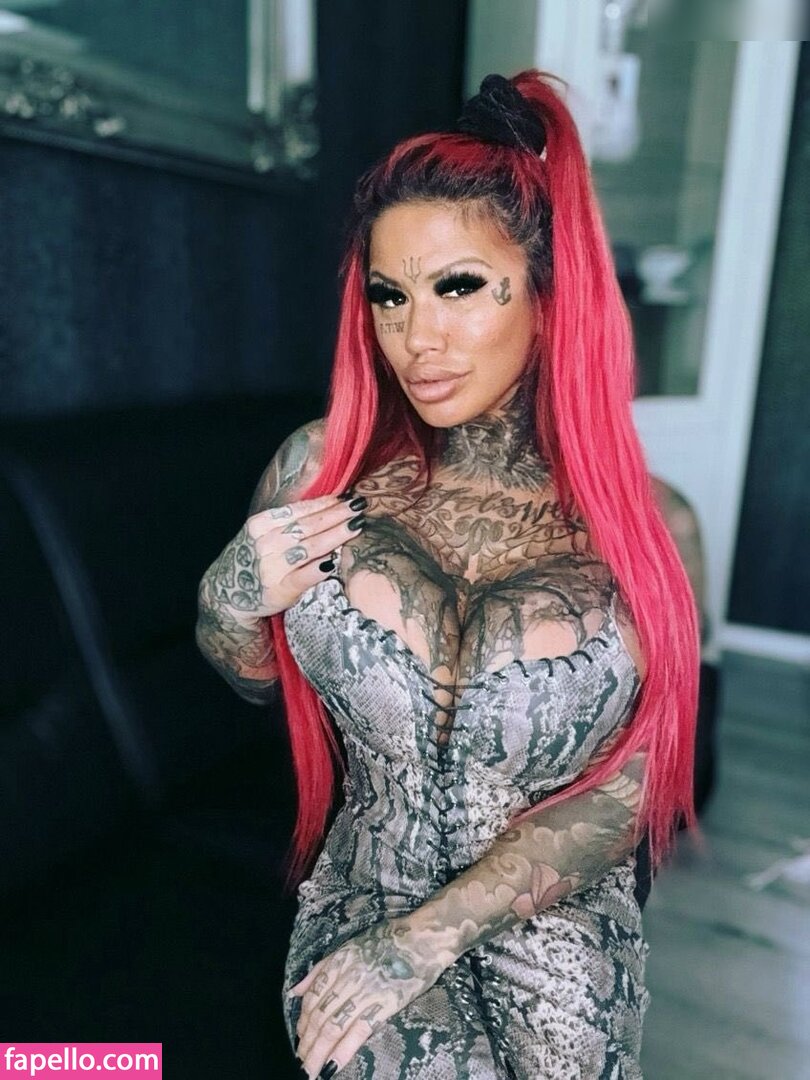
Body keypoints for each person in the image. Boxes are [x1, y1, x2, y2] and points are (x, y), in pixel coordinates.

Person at [196, 70, 700, 1079]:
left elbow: (629, 792)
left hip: (554, 917)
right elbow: (250, 677)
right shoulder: (320, 468)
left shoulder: (653, 528)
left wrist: (426, 940)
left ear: (549, 296)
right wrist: (229, 595)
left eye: (458, 287)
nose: (415, 338)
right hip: (364, 892)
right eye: (390, 295)